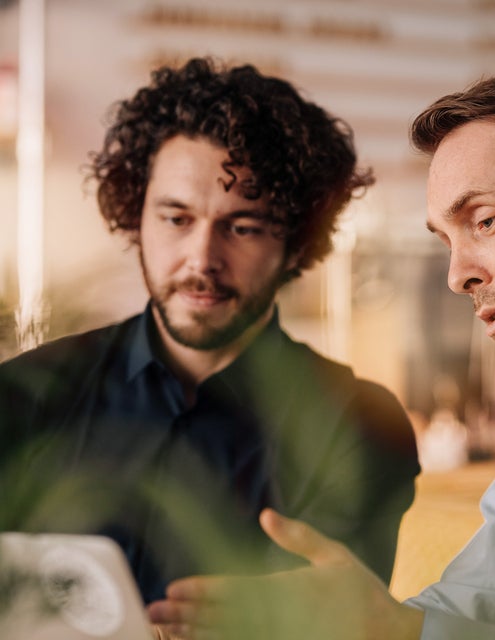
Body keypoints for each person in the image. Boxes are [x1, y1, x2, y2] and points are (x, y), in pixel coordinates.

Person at [148, 65, 495, 639]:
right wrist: (377, 623)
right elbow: (474, 615)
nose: (457, 276)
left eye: (484, 221)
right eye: (447, 241)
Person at [0, 57, 418, 607]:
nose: (202, 258)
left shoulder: (361, 425)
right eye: (176, 219)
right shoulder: (23, 395)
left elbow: (333, 617)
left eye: (242, 227)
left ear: (297, 242)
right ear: (137, 217)